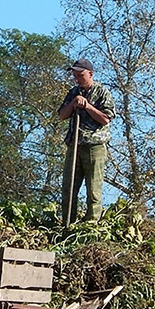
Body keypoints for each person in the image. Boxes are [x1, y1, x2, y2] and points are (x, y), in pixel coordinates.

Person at [58, 57, 116, 224]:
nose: (77, 79)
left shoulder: (102, 92)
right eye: (74, 75)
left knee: (93, 189)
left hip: (94, 146)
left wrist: (87, 106)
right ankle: (67, 224)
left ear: (90, 74)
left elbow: (105, 119)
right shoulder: (73, 92)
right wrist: (74, 103)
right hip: (74, 144)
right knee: (69, 188)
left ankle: (92, 223)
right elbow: (62, 115)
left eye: (80, 75)